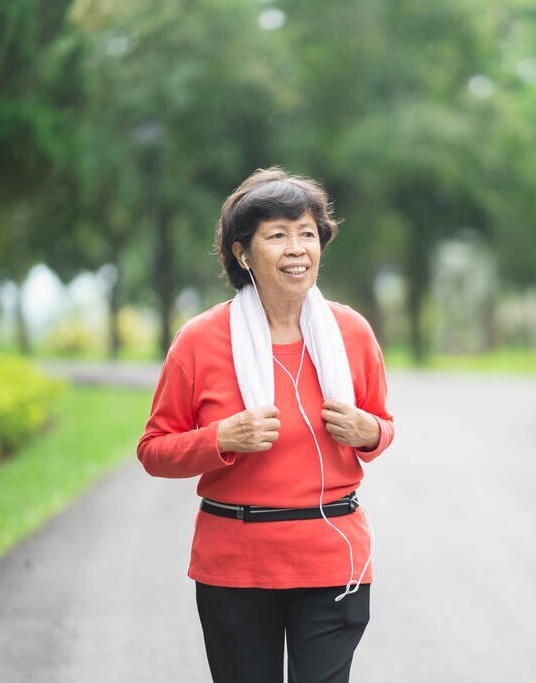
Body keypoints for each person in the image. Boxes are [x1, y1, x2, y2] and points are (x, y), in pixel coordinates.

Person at [137, 167, 394, 683]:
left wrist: (368, 431)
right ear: (242, 253)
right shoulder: (199, 340)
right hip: (235, 566)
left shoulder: (351, 333)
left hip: (332, 562)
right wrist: (220, 439)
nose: (297, 248)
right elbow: (153, 449)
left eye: (307, 234)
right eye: (277, 235)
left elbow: (382, 426)